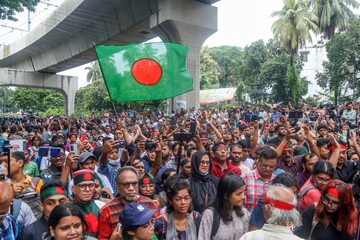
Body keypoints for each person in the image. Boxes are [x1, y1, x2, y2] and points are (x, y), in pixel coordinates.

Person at [98, 166, 157, 239]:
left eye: (134, 183)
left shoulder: (149, 203)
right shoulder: (107, 211)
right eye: (126, 184)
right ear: (117, 187)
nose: (131, 188)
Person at [198, 172, 250, 239]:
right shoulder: (210, 215)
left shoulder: (243, 212)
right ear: (226, 195)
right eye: (239, 194)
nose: (243, 196)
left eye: (243, 192)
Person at [0, 151, 44, 219]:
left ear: (20, 163)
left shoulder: (37, 182)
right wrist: (10, 193)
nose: (2, 165)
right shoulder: (2, 186)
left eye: (6, 161)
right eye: (0, 162)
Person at [71, 170, 105, 238]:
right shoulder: (68, 208)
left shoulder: (101, 206)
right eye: (83, 186)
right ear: (73, 189)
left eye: (91, 185)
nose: (87, 189)